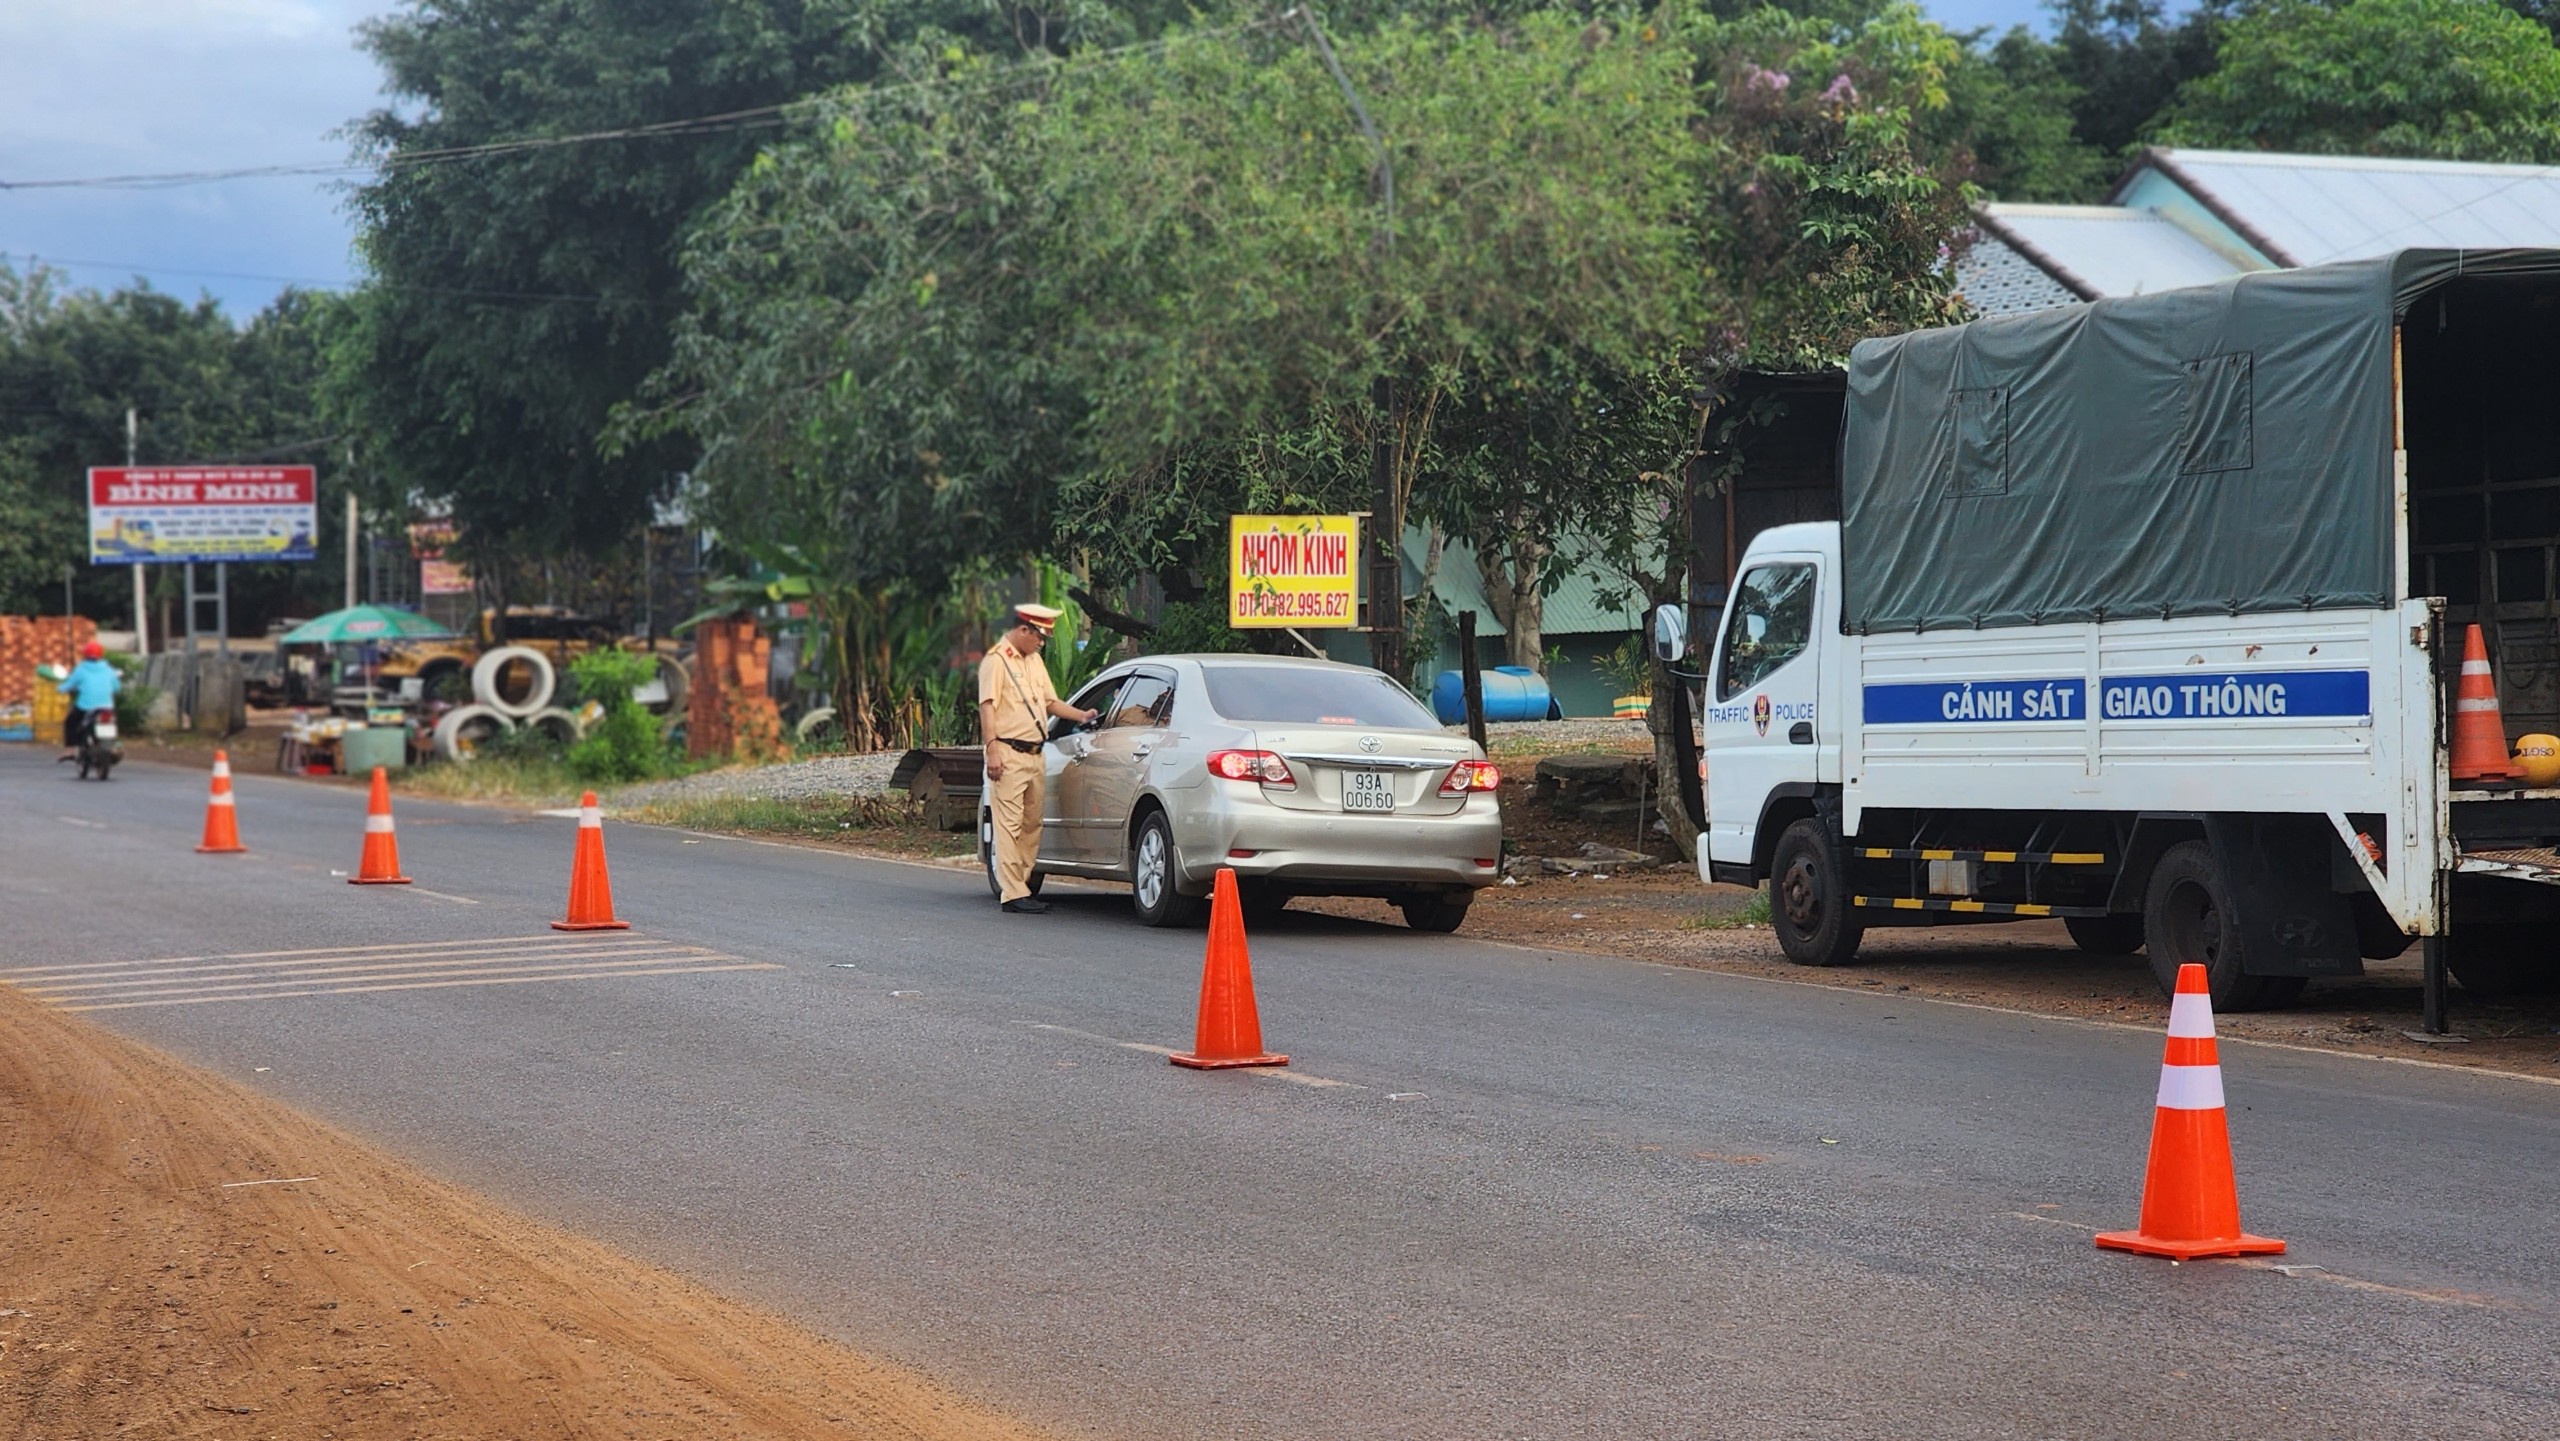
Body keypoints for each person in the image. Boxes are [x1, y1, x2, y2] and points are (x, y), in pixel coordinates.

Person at [977, 604, 1097, 914]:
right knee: (1009, 824)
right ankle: (1013, 893)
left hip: (1034, 753)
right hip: (1007, 751)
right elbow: (987, 706)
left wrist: (1082, 715)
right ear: (1023, 630)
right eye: (1039, 637)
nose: (1041, 643)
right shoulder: (996, 661)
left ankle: (1024, 885)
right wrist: (991, 749)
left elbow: (1051, 702)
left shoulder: (1034, 662)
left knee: (1032, 824)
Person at [56, 640, 122, 759]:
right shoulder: (108, 669)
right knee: (113, 722)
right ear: (101, 654)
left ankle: (70, 750)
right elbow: (117, 688)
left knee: (70, 722)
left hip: (85, 706)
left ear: (85, 654)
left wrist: (60, 688)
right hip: (106, 706)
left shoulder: (81, 669)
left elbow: (69, 685)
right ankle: (115, 746)